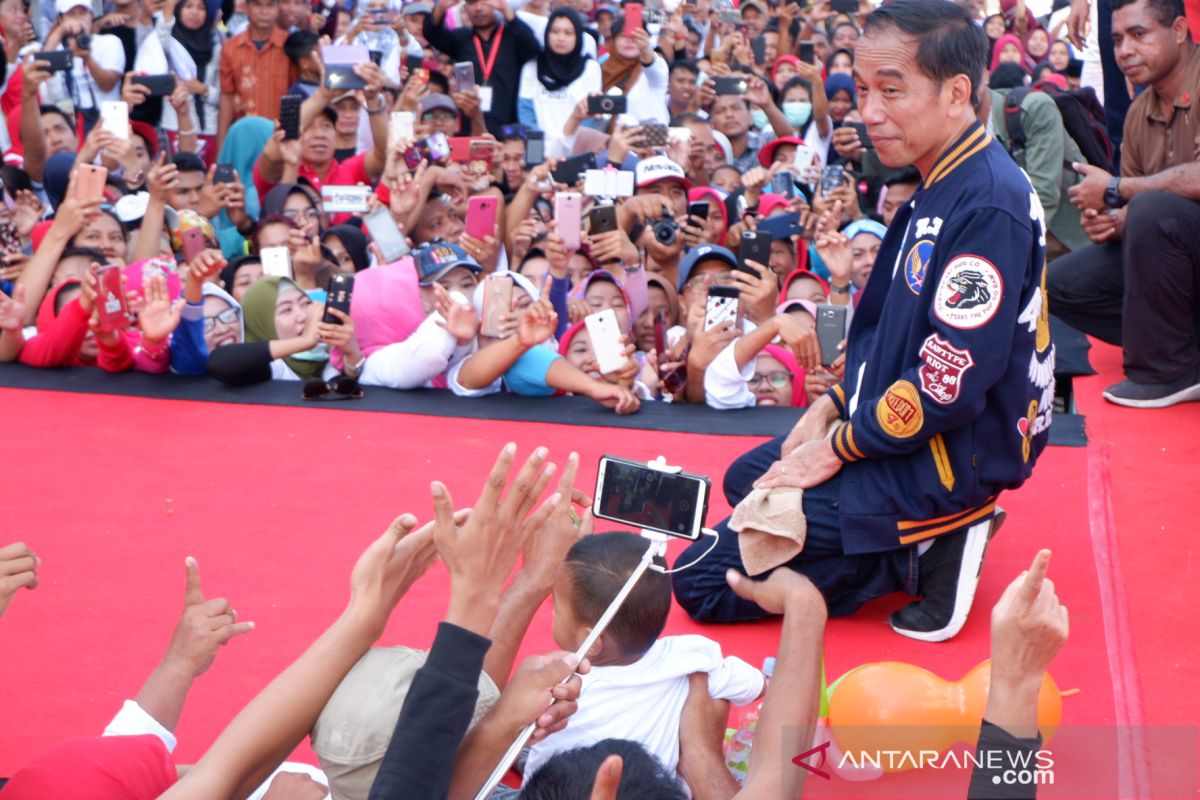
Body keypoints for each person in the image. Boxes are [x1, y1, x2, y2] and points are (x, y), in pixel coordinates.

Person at [672, 0, 1055, 643]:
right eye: (863, 90)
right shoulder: (939, 179)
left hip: (945, 456)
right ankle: (916, 540)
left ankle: (926, 548)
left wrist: (837, 447)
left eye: (891, 91)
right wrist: (829, 410)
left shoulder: (987, 202)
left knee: (700, 579)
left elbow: (945, 381)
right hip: (907, 430)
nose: (867, 112)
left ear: (957, 93)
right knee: (746, 481)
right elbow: (889, 339)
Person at [1048, 0, 1200, 408]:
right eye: (1116, 40)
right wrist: (1114, 222)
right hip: (1182, 254)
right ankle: (1189, 349)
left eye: (1139, 34)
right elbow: (1137, 206)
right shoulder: (1137, 113)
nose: (1124, 51)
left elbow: (1142, 193)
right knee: (1058, 286)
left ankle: (1166, 372)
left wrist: (1118, 188)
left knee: (1152, 208)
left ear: (1181, 30)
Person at [423, 0, 541, 135]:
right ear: (464, 8)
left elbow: (533, 49)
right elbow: (431, 33)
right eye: (472, 3)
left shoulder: (513, 36)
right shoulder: (460, 38)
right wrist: (442, 8)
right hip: (471, 125)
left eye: (485, 2)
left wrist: (506, 11)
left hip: (508, 127)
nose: (478, 8)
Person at [217, 0, 297, 152]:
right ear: (246, 8)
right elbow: (227, 98)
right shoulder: (230, 48)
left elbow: (298, 96)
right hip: (243, 139)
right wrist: (221, 149)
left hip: (280, 140)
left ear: (277, 8)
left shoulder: (290, 46)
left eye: (270, 5)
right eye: (258, 5)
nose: (264, 11)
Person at [518, 9, 601, 149]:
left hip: (574, 151)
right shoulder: (532, 67)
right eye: (555, 31)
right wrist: (541, 153)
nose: (560, 38)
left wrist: (563, 146)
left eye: (568, 33)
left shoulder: (591, 68)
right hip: (538, 151)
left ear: (578, 36)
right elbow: (526, 115)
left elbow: (588, 118)